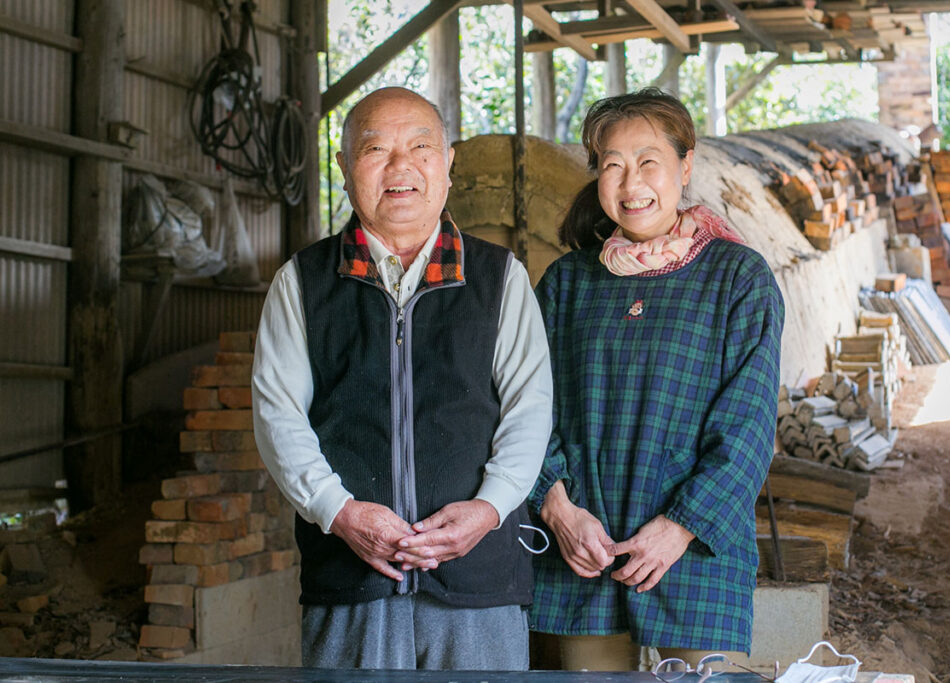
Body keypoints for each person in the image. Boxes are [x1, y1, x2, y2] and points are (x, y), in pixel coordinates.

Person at [252, 87, 552, 671]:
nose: (400, 167)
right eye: (375, 149)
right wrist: (338, 511)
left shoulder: (499, 278)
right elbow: (277, 415)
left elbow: (530, 409)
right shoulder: (303, 283)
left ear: (447, 163)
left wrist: (489, 509)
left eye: (420, 147)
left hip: (477, 583)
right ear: (344, 167)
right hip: (350, 582)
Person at [528, 88, 783, 672]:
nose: (630, 181)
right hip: (581, 551)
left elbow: (747, 426)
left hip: (693, 548)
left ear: (684, 165)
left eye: (648, 161)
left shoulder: (737, 278)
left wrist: (680, 526)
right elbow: (526, 407)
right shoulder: (566, 283)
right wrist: (557, 507)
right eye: (612, 165)